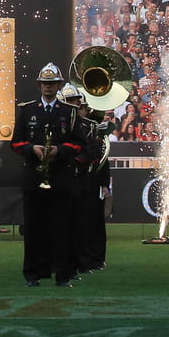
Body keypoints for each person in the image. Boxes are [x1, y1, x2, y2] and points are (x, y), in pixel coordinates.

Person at [11, 63, 83, 288]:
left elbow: (80, 144)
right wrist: (32, 149)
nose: (48, 88)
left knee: (61, 228)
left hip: (60, 176)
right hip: (34, 176)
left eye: (52, 84)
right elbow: (15, 143)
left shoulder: (70, 112)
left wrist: (59, 151)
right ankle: (33, 274)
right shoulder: (27, 110)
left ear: (59, 85)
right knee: (33, 228)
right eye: (44, 83)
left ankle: (62, 275)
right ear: (39, 85)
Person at [60, 84, 109, 275]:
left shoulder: (90, 127)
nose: (76, 106)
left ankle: (85, 260)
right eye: (71, 102)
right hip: (65, 178)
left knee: (86, 223)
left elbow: (99, 155)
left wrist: (104, 183)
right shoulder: (60, 123)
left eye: (78, 103)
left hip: (85, 180)